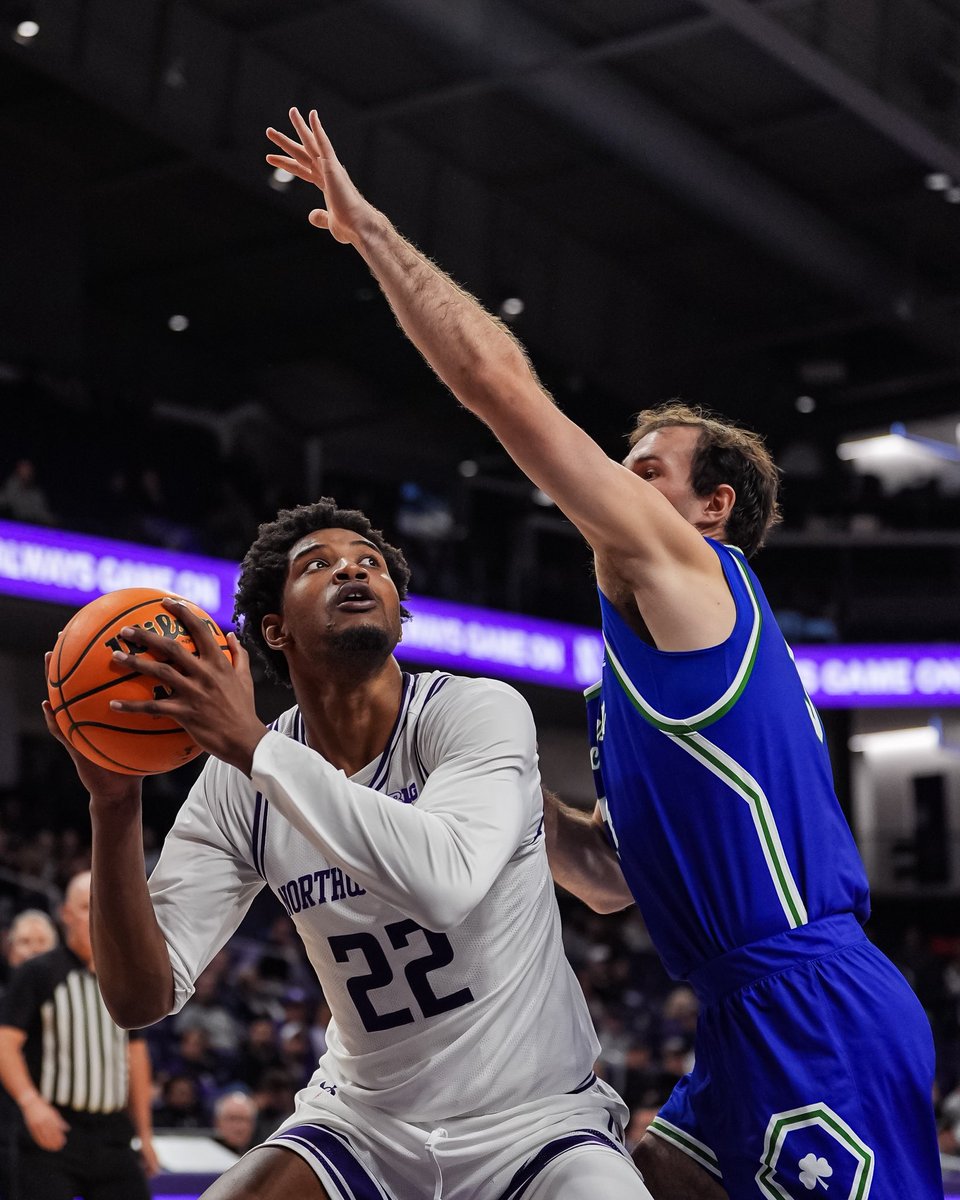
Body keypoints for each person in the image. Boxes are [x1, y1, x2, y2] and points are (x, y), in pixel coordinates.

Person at [263, 108, 944, 1200]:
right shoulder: (640, 676)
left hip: (815, 1007)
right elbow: (611, 880)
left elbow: (497, 387)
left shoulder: (695, 577)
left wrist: (375, 234)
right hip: (740, 1012)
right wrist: (468, 777)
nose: (622, 483)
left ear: (710, 508)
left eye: (646, 469)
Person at [42, 498, 651, 1200]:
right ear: (275, 629)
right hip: (366, 1124)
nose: (354, 571)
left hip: (537, 1122)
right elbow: (140, 996)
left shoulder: (475, 712)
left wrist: (251, 743)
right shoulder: (240, 784)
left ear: (397, 608)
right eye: (319, 565)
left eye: (371, 564)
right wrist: (114, 806)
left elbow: (444, 885)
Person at [0, 871, 158, 1200]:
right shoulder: (38, 973)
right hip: (54, 1132)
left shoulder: (126, 975)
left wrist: (144, 1133)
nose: (96, 915)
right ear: (66, 914)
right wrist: (32, 1104)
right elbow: (5, 1043)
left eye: (102, 906)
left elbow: (136, 1055)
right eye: (86, 906)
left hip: (113, 1135)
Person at [211, 1090, 258, 1158]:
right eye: (232, 1119)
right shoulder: (205, 1157)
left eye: (244, 1119)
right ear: (217, 1123)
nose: (238, 1127)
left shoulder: (261, 1159)